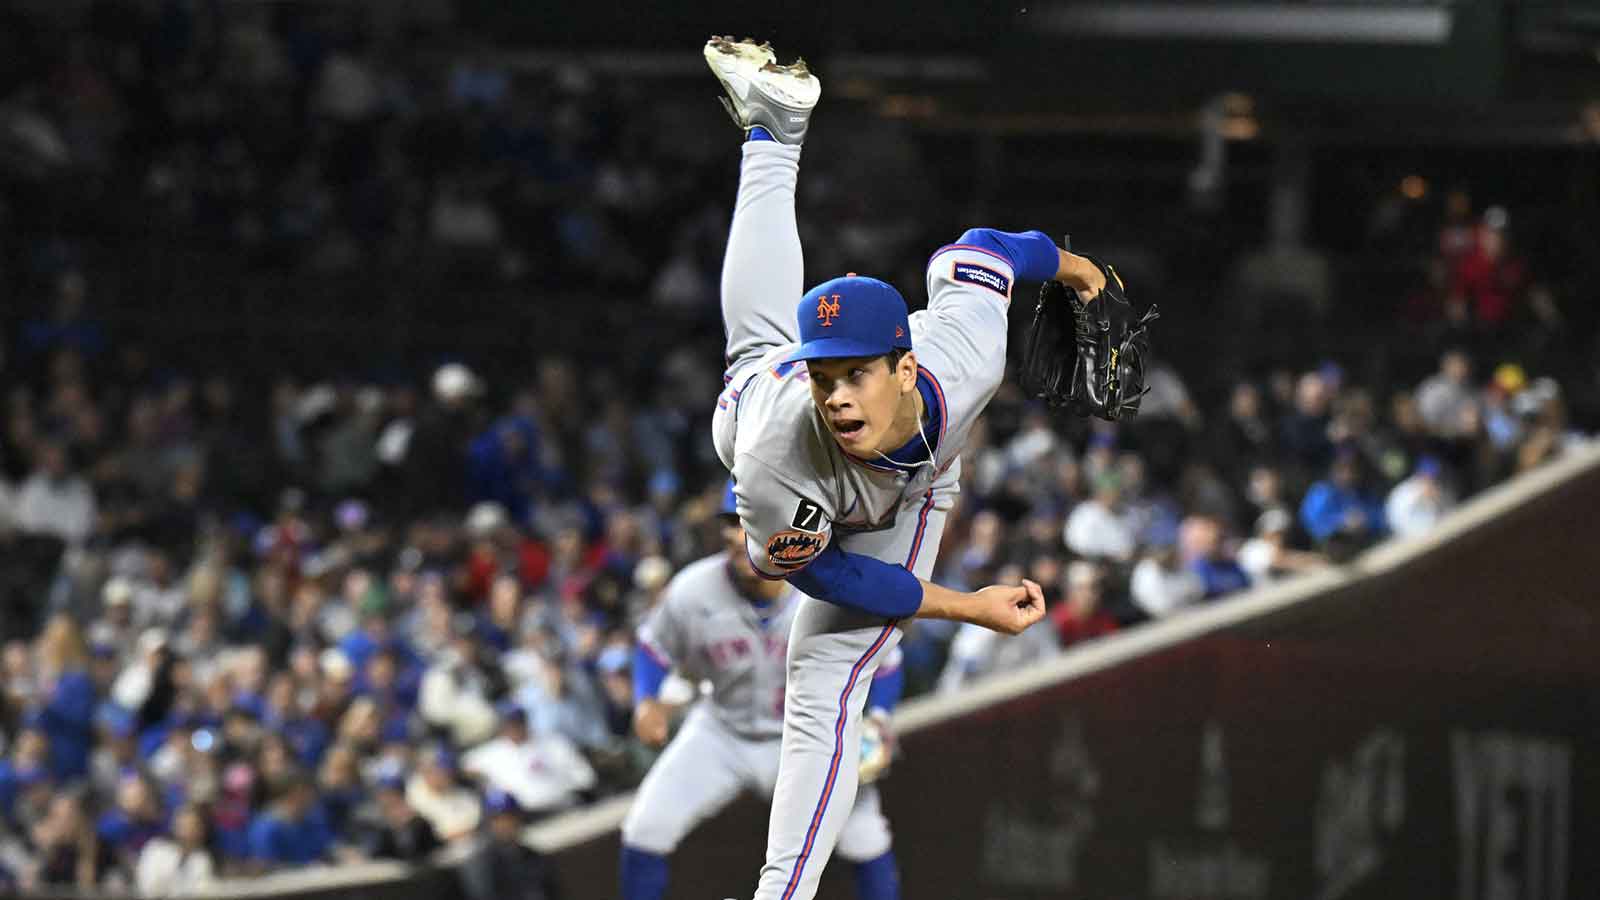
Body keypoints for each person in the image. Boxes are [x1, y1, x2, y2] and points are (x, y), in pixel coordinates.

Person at [704, 36, 1102, 899]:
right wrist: (965, 607)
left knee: (832, 677)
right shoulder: (779, 445)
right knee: (754, 357)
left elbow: (986, 246)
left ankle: (772, 130)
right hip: (782, 465)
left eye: (853, 374)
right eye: (825, 376)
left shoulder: (961, 356)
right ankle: (770, 137)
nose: (838, 395)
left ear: (898, 361)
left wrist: (1070, 267)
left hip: (918, 484)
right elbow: (831, 576)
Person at [620, 483, 901, 900]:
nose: (740, 534)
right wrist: (646, 700)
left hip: (808, 738)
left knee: (866, 838)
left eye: (750, 521)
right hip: (723, 732)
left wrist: (878, 719)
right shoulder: (693, 589)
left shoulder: (833, 584)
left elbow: (887, 666)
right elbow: (652, 649)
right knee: (645, 828)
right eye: (732, 523)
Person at [457, 789, 561, 900]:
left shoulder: (532, 854)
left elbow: (552, 891)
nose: (506, 823)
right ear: (487, 822)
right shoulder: (480, 862)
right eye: (497, 819)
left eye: (510, 817)